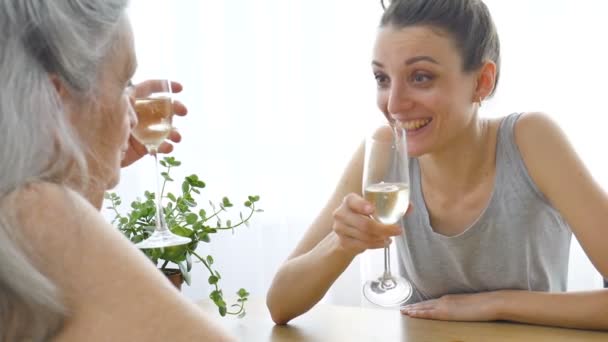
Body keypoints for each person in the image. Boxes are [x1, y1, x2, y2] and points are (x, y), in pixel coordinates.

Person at [267, 0, 608, 331]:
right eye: (382, 78)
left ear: (482, 81)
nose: (394, 104)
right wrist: (340, 244)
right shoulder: (384, 149)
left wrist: (494, 303)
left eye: (420, 77)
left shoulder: (532, 140)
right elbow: (280, 304)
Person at [0, 1, 232, 340]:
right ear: (54, 99)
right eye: (126, 82)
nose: (135, 113)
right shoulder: (31, 213)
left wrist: (83, 157)